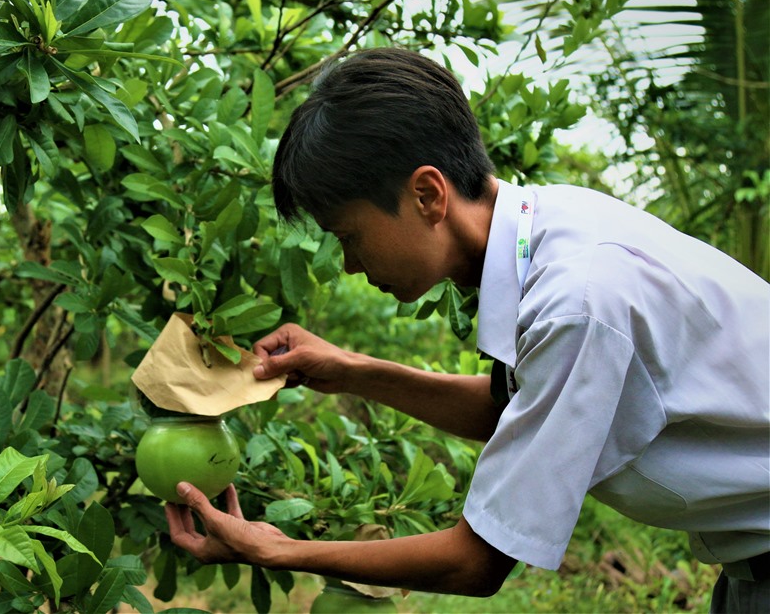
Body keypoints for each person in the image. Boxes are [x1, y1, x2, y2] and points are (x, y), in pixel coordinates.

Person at [164, 47, 770, 611]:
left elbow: (475, 564)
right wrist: (354, 371)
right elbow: (513, 410)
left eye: (349, 236)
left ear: (428, 194)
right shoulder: (550, 231)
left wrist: (275, 549)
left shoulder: (577, 302)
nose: (349, 263)